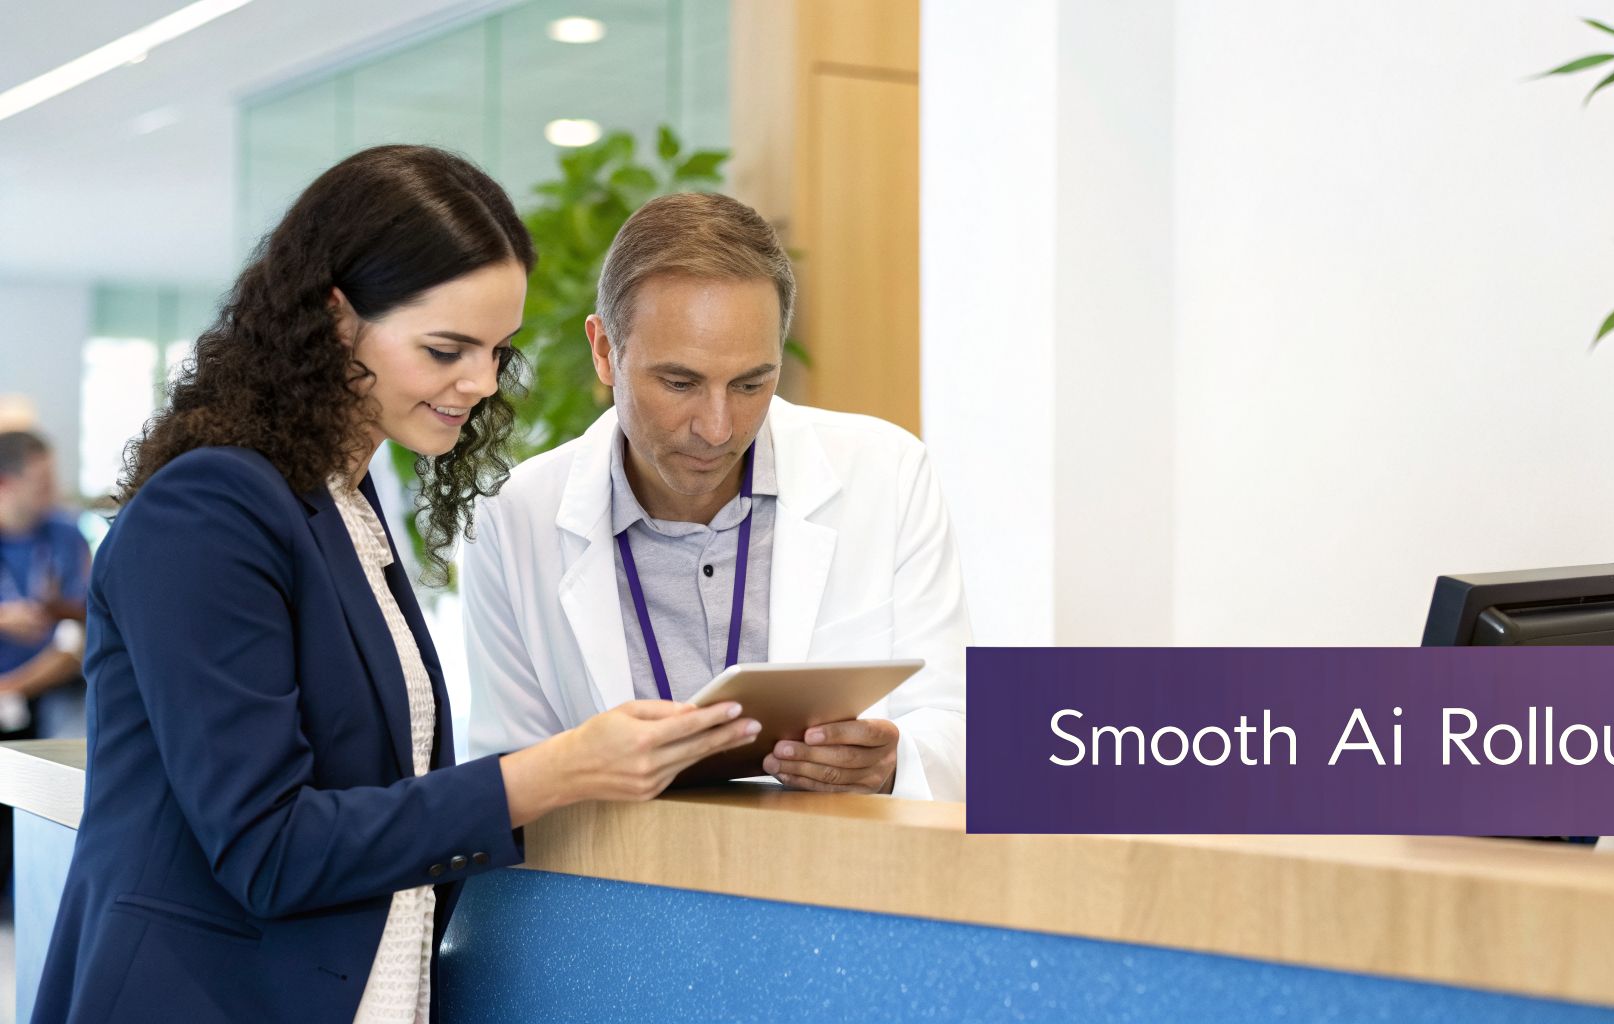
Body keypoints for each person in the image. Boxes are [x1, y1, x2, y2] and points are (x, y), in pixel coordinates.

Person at [34, 146, 763, 1024]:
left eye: (497, 350)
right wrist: (552, 771)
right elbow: (270, 850)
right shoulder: (212, 507)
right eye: (446, 348)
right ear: (335, 319)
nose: (481, 383)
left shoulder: (347, 507)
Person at [463, 192, 968, 802]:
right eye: (679, 383)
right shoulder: (515, 514)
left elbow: (959, 726)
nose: (718, 427)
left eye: (752, 383)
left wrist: (891, 764)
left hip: (836, 880)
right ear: (604, 351)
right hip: (617, 889)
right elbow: (508, 774)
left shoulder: (888, 471)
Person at [0, 430, 90, 739]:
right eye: (41, 483)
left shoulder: (66, 534)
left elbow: (83, 621)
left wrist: (13, 688)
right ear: (6, 484)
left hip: (53, 687)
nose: (52, 491)